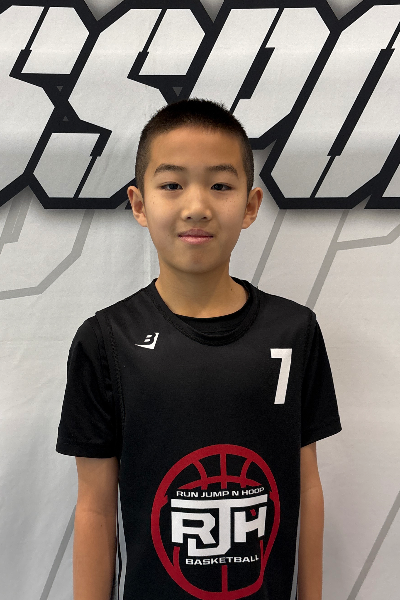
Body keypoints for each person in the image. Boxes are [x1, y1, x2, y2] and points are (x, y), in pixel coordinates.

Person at [56, 98, 342, 600]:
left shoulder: (294, 331)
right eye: (172, 184)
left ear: (250, 205)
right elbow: (95, 508)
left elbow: (308, 485)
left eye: (220, 185)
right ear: (139, 203)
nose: (196, 206)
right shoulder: (106, 340)